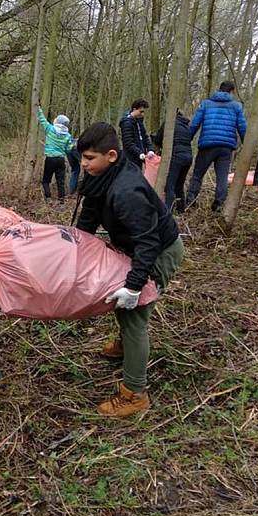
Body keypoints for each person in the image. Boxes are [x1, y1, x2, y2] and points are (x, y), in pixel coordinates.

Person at [75, 122, 184, 417]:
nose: (83, 164)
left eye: (89, 158)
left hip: (159, 252)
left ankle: (135, 393)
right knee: (125, 312)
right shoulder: (101, 177)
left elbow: (148, 242)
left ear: (111, 155)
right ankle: (125, 347)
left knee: (133, 316)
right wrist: (74, 248)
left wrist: (135, 286)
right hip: (135, 247)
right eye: (81, 158)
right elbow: (89, 216)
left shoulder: (126, 191)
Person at [186, 80, 247, 211]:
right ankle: (218, 205)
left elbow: (195, 123)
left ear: (219, 89)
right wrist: (245, 142)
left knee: (197, 175)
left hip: (207, 145)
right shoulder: (236, 106)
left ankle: (190, 201)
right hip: (226, 147)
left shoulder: (206, 104)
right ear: (232, 91)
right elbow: (242, 126)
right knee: (222, 177)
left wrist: (187, 139)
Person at [152, 110, 193, 211]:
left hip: (176, 157)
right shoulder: (186, 126)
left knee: (169, 185)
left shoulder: (169, 123)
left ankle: (167, 212)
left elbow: (157, 139)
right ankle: (181, 209)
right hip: (188, 157)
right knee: (179, 185)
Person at [37, 106, 75, 202]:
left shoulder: (50, 129)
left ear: (57, 122)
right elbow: (68, 149)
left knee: (46, 180)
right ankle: (61, 201)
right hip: (61, 160)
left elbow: (42, 120)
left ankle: (48, 197)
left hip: (50, 159)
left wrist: (38, 109)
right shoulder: (68, 135)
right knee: (60, 182)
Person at [119, 98, 156, 169]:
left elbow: (145, 137)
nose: (142, 114)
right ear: (134, 109)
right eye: (140, 112)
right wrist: (139, 153)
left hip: (139, 157)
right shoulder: (127, 123)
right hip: (130, 158)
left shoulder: (139, 121)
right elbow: (128, 143)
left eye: (143, 112)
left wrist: (150, 149)